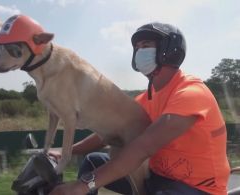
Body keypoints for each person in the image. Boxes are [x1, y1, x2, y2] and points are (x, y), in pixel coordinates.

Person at [49, 22, 230, 195]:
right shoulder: (145, 98)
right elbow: (106, 134)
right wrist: (67, 152)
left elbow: (143, 147)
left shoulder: (191, 93)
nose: (139, 51)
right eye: (137, 48)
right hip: (157, 177)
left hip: (196, 188)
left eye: (146, 45)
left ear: (169, 50)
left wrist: (82, 186)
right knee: (92, 163)